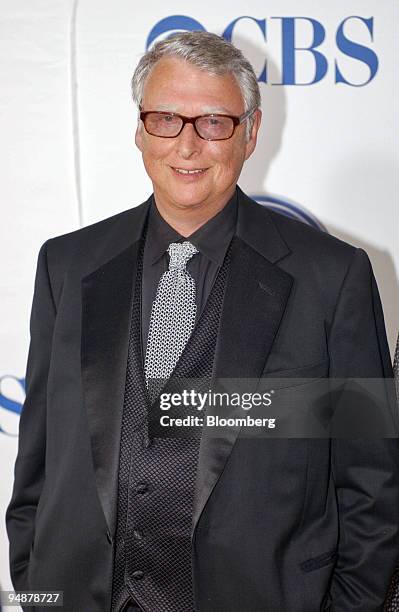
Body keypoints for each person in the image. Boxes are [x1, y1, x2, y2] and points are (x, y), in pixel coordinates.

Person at [6, 31, 399, 612]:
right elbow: (36, 465)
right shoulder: (66, 264)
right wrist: (38, 595)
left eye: (214, 122)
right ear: (139, 129)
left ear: (252, 133)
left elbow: (371, 486)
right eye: (165, 118)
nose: (186, 146)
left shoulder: (332, 277)